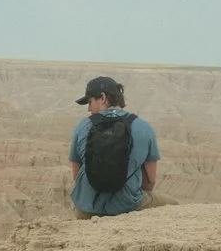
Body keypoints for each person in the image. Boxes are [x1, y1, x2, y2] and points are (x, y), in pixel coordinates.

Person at [69, 75, 173, 219]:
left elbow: (76, 172)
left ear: (103, 97)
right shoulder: (143, 128)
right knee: (173, 205)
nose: (88, 108)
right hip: (127, 206)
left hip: (86, 210)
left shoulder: (82, 126)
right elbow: (150, 181)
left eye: (90, 101)